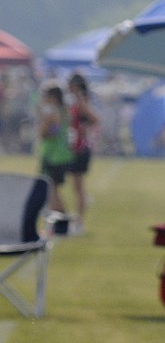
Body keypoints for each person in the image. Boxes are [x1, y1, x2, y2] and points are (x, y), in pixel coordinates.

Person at [66, 74, 99, 232]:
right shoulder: (74, 101)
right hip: (75, 148)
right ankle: (77, 219)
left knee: (78, 187)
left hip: (80, 149)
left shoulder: (81, 101)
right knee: (76, 187)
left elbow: (94, 119)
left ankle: (79, 221)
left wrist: (84, 131)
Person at [38, 85, 74, 214]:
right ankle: (59, 223)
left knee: (51, 190)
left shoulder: (53, 113)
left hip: (54, 156)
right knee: (53, 190)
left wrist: (44, 123)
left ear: (53, 98)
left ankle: (61, 223)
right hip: (62, 155)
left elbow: (46, 133)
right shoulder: (64, 111)